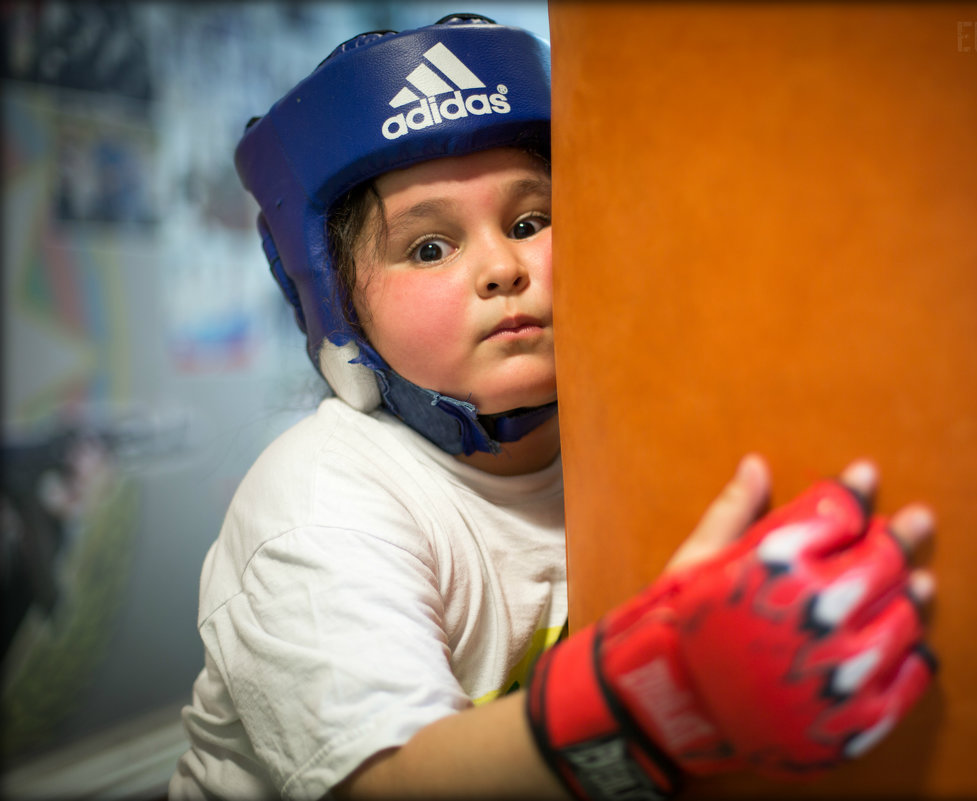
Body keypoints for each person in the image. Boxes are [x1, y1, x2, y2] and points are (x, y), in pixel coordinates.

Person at [169, 13, 938, 801]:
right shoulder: (321, 500)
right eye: (429, 247)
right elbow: (392, 783)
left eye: (531, 222)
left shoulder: (618, 444)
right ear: (336, 305)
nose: (502, 266)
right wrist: (666, 696)